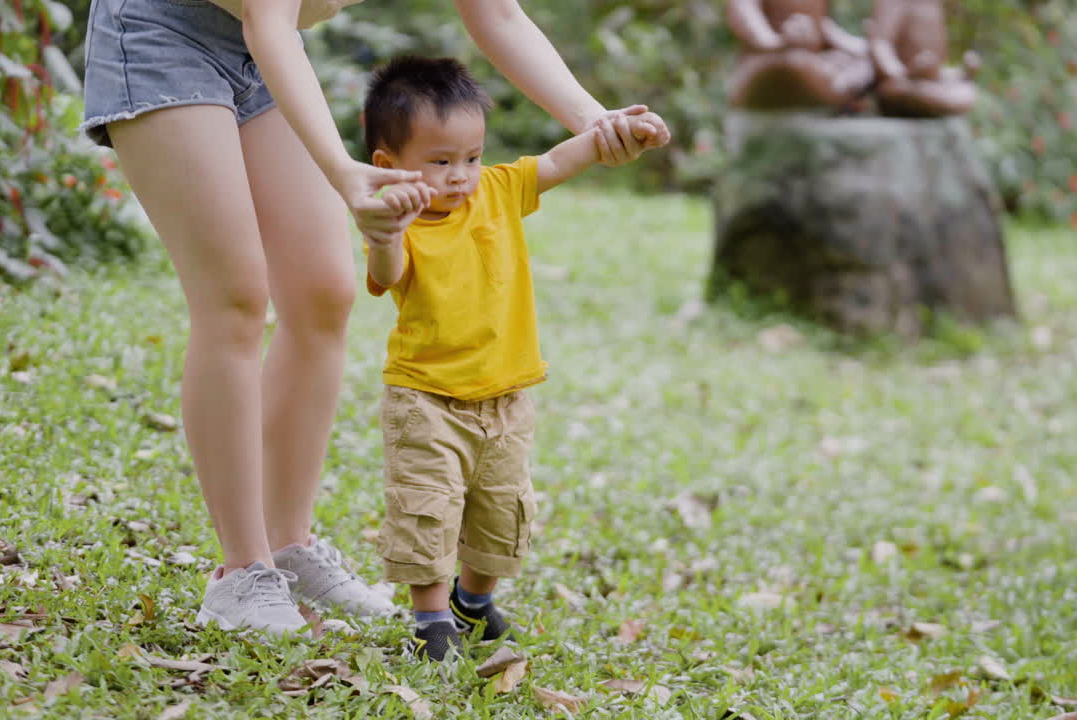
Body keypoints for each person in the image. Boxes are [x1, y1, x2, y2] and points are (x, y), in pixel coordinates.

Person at [80, 0, 665, 636]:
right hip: (165, 31)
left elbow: (495, 12)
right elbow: (268, 20)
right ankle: (241, 574)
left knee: (324, 293)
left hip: (262, 50)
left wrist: (595, 122)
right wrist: (344, 175)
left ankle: (290, 548)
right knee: (236, 297)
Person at [361, 56, 670, 660]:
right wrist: (384, 235)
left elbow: (559, 161)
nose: (460, 176)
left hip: (505, 396)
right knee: (428, 508)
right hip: (426, 398)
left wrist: (617, 131)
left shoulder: (498, 190)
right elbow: (387, 276)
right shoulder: (397, 222)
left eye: (471, 158)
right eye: (441, 161)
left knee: (501, 510)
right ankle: (429, 622)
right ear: (387, 166)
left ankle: (472, 604)